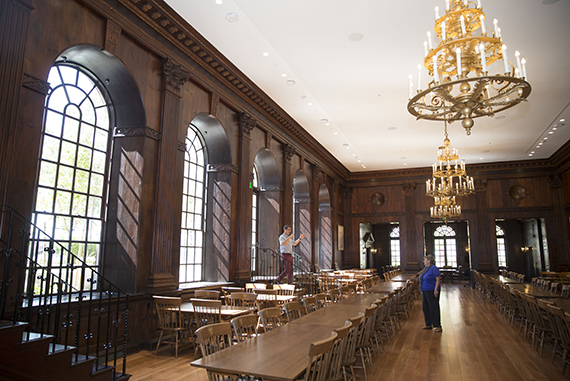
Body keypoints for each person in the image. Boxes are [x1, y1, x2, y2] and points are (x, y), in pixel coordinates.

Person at [420, 254, 442, 332]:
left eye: (425, 259)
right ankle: (428, 324)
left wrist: (436, 290)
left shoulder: (434, 268)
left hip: (432, 291)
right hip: (425, 290)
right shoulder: (426, 268)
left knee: (434, 308)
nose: (423, 261)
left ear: (429, 261)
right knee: (425, 307)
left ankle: (437, 325)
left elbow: (438, 279)